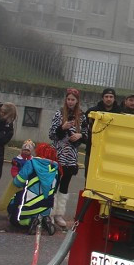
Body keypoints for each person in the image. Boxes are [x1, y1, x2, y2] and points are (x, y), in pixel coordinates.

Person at [0, 141, 59, 235]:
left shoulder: (31, 163)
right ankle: (44, 220)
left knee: (14, 220)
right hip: (46, 206)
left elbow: (18, 181)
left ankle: (31, 222)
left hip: (29, 204)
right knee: (43, 211)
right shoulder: (56, 169)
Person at [49, 88, 88, 229]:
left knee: (64, 185)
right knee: (54, 184)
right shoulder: (59, 113)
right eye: (68, 99)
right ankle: (50, 213)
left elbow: (87, 135)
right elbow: (52, 134)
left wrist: (80, 136)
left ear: (77, 101)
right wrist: (62, 127)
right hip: (58, 154)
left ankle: (59, 213)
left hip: (71, 156)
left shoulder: (82, 116)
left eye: (73, 99)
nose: (70, 102)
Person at [83, 88, 121, 181]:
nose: (109, 99)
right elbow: (84, 127)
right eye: (106, 96)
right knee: (89, 176)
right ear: (102, 98)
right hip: (92, 149)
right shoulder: (91, 112)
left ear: (114, 98)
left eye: (111, 97)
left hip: (111, 151)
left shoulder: (120, 113)